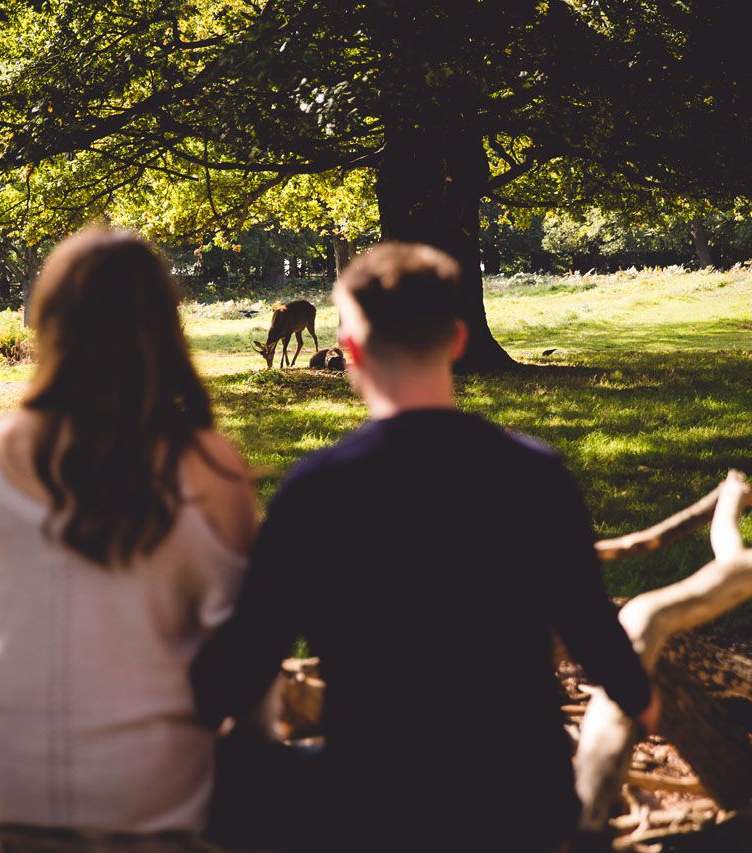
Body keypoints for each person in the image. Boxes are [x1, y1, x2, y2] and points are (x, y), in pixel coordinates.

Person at [191, 243, 660, 851]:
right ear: (459, 340)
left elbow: (248, 654)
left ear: (350, 353)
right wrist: (637, 697)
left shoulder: (317, 489)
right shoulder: (533, 473)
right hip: (521, 799)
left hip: (373, 801)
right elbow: (592, 629)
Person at [0, 228, 257, 833]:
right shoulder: (210, 466)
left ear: (50, 324)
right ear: (165, 326)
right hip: (148, 781)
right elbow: (242, 652)